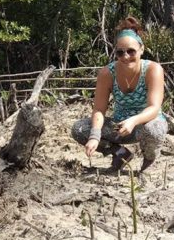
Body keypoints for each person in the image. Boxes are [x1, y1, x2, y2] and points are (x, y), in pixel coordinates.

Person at [71, 16, 168, 172]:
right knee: (79, 129)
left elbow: (154, 107)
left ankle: (149, 160)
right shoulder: (107, 73)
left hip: (146, 123)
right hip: (120, 126)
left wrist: (133, 121)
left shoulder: (152, 69)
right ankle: (120, 153)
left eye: (131, 51)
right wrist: (95, 136)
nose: (125, 56)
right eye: (120, 52)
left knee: (153, 129)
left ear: (141, 49)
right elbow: (99, 109)